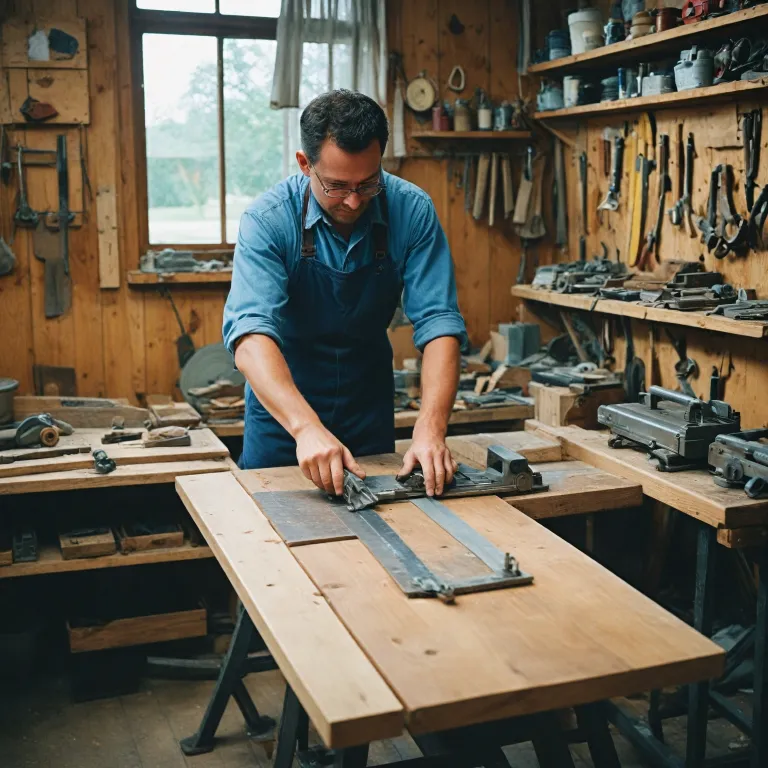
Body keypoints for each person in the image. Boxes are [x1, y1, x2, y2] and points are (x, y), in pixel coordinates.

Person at [223, 89, 467, 498]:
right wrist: (305, 428)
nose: (354, 201)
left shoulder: (412, 210)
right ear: (305, 164)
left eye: (368, 183)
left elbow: (439, 323)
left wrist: (430, 428)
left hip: (366, 407)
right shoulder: (267, 221)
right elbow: (250, 339)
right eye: (337, 186)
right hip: (284, 416)